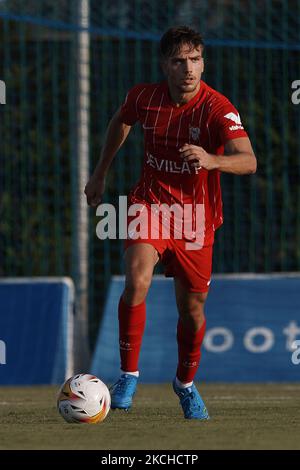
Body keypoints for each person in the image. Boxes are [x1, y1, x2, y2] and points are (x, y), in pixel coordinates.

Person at [85, 26, 257, 419]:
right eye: (179, 61)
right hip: (150, 205)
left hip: (196, 220)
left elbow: (249, 161)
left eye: (195, 59)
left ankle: (185, 384)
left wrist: (214, 160)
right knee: (137, 280)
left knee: (192, 311)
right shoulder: (144, 96)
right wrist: (100, 173)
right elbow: (121, 121)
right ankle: (128, 375)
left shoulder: (217, 108)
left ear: (203, 62)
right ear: (164, 64)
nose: (188, 69)